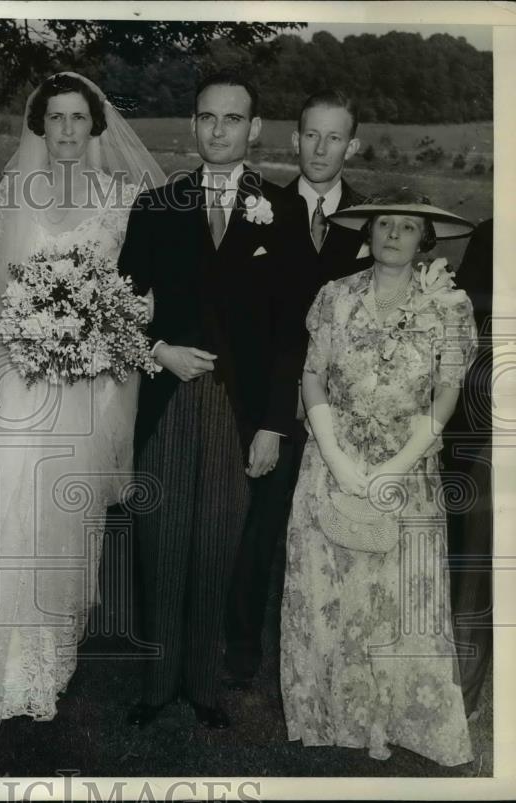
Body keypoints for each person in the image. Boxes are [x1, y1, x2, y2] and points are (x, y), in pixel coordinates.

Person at [0, 72, 165, 730]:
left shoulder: (121, 200)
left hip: (82, 390)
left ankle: (37, 661)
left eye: (79, 118)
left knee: (57, 524)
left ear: (94, 126)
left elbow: (134, 303)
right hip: (12, 384)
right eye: (56, 119)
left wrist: (98, 334)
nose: (68, 131)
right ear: (39, 126)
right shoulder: (13, 193)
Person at [117, 70, 300, 730]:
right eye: (207, 118)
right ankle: (156, 683)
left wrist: (274, 424)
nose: (218, 130)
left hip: (239, 410)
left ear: (254, 129)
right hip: (167, 401)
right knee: (160, 539)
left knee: (219, 541)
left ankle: (203, 684)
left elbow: (290, 334)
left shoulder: (282, 211)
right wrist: (159, 349)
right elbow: (119, 309)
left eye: (233, 119)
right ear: (193, 126)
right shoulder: (156, 206)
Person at [280, 188, 477, 765]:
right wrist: (338, 457)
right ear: (367, 234)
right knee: (329, 591)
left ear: (424, 241)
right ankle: (331, 713)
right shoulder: (336, 296)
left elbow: (448, 389)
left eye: (407, 227)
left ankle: (396, 716)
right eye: (384, 224)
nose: (393, 233)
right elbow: (312, 375)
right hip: (332, 461)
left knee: (399, 597)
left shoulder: (448, 304)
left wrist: (398, 463)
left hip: (407, 466)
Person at [224, 89, 370, 687]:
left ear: (352, 145)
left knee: (335, 534)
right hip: (268, 402)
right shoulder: (259, 207)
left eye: (334, 137)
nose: (321, 148)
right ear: (293, 138)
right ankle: (241, 651)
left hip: (344, 408)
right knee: (258, 527)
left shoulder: (373, 219)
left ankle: (329, 657)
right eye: (311, 134)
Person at [442, 218, 493, 717]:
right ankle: (463, 689)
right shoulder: (493, 232)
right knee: (477, 557)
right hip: (486, 422)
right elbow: (469, 310)